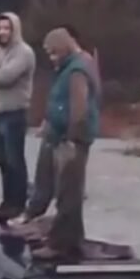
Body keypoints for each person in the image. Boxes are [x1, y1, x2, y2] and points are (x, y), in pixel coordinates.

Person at [30, 27, 100, 261]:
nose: (51, 58)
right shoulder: (72, 66)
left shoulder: (77, 71)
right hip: (62, 136)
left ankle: (61, 244)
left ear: (64, 47)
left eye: (53, 52)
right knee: (68, 190)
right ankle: (70, 239)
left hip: (72, 139)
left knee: (68, 193)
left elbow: (79, 108)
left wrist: (70, 137)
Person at [0, 12, 36, 223]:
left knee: (14, 161)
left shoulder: (24, 53)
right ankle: (6, 202)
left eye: (7, 28)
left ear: (15, 29)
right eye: (0, 28)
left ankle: (17, 204)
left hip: (14, 113)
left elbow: (7, 76)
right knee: (1, 160)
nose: (2, 32)